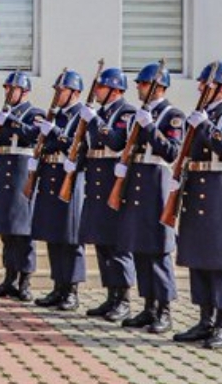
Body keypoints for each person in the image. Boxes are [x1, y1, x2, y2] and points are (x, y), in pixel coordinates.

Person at [173, 61, 222, 349]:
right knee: (198, 256)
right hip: (197, 186)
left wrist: (205, 126)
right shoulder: (200, 115)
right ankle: (205, 320)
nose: (201, 87)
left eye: (207, 83)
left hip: (219, 191)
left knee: (220, 259)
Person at [114, 62, 183, 334]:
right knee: (140, 247)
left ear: (159, 87)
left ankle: (164, 310)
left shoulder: (172, 115)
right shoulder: (139, 114)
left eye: (143, 84)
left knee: (157, 248)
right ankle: (148, 307)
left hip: (156, 183)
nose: (138, 88)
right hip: (137, 181)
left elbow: (171, 151)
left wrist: (151, 127)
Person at [76, 67, 136, 322]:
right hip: (96, 184)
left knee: (117, 245)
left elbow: (116, 142)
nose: (97, 92)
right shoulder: (98, 114)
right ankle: (111, 296)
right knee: (102, 243)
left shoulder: (126, 113)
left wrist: (96, 122)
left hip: (114, 185)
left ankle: (123, 299)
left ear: (115, 89)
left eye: (101, 87)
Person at [28, 70, 87, 311]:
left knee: (70, 239)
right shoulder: (57, 116)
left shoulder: (81, 117)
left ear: (74, 92)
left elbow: (77, 144)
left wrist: (54, 133)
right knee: (53, 236)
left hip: (69, 179)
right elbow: (48, 144)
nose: (58, 94)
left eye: (61, 90)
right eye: (57, 90)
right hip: (51, 177)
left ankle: (71, 290)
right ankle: (58, 286)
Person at [0, 71, 43, 301]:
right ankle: (9, 279)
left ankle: (25, 281)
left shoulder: (34, 114)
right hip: (3, 175)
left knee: (24, 232)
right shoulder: (2, 115)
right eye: (6, 88)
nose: (8, 92)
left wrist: (12, 121)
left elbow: (32, 135)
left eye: (12, 89)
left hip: (21, 175)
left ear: (24, 92)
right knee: (7, 232)